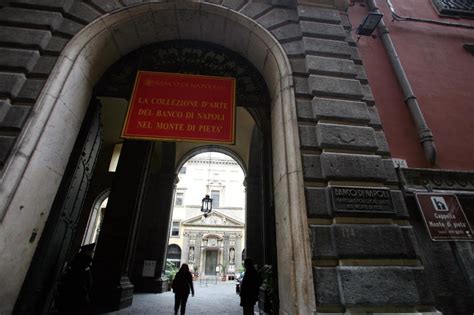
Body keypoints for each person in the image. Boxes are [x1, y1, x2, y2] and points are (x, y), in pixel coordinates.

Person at [56, 243, 94, 315]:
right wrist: (84, 290)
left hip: (78, 293)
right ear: (87, 252)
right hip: (77, 294)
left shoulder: (82, 261)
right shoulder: (82, 262)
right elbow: (80, 278)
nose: (92, 253)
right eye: (91, 251)